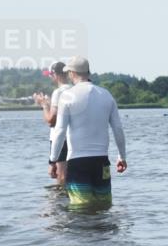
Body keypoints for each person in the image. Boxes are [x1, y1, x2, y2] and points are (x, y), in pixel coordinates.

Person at [49, 56, 128, 208]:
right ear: (88, 72)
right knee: (103, 207)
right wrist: (122, 157)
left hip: (78, 162)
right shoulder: (106, 95)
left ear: (72, 73)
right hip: (101, 162)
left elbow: (59, 131)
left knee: (81, 209)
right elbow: (118, 129)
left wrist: (53, 160)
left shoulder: (67, 96)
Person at [33, 61, 71, 186]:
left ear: (56, 75)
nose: (50, 77)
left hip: (59, 138)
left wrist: (44, 105)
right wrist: (49, 104)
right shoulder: (74, 89)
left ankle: (60, 203)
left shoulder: (58, 92)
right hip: (73, 137)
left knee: (61, 176)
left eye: (50, 74)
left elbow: (51, 121)